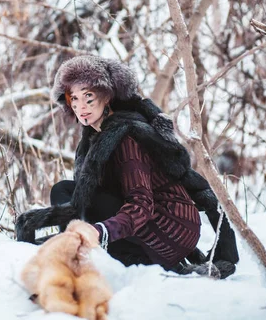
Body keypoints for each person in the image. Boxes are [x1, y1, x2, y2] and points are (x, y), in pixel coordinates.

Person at [16, 55, 239, 278]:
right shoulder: (96, 135)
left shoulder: (126, 138)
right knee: (64, 190)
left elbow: (141, 205)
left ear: (107, 97)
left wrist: (99, 231)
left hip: (170, 228)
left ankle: (89, 248)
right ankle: (77, 244)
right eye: (74, 99)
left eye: (89, 97)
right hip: (146, 224)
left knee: (83, 198)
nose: (80, 107)